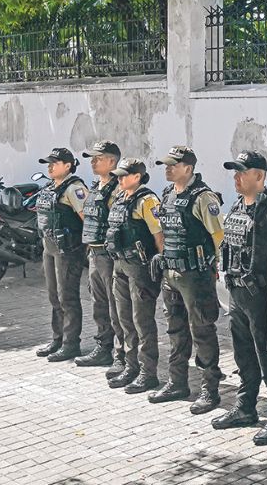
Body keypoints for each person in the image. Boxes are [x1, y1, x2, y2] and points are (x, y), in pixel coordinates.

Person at [211, 150, 267, 446]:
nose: (236, 178)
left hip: (264, 296)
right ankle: (245, 407)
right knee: (244, 355)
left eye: (242, 172)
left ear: (259, 176)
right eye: (234, 172)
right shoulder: (239, 205)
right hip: (239, 294)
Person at [147, 145, 225, 414]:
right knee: (176, 331)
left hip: (195, 277)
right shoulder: (168, 193)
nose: (167, 169)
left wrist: (218, 269)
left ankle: (210, 389)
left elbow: (218, 237)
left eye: (173, 165)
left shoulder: (204, 198)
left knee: (202, 330)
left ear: (188, 168)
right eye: (166, 165)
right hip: (171, 274)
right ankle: (177, 382)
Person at [105, 158, 163, 395]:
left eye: (124, 175)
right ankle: (131, 366)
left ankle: (148, 373)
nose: (119, 179)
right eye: (118, 176)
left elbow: (159, 234)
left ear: (137, 176)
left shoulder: (147, 201)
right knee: (124, 318)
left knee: (142, 321)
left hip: (140, 267)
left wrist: (163, 264)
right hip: (120, 263)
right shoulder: (120, 197)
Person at [34, 147, 89, 362]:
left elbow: (87, 219)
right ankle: (57, 338)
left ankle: (71, 343)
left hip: (68, 250)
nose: (49, 166)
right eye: (48, 163)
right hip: (50, 248)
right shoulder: (50, 187)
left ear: (67, 165)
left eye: (54, 163)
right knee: (54, 296)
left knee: (68, 297)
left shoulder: (75, 188)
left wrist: (87, 247)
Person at [74, 140, 125, 372]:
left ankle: (121, 355)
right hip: (94, 253)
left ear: (112, 161)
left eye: (98, 158)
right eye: (92, 158)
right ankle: (103, 347)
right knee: (99, 304)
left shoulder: (118, 189)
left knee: (117, 307)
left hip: (110, 255)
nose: (93, 161)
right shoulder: (96, 186)